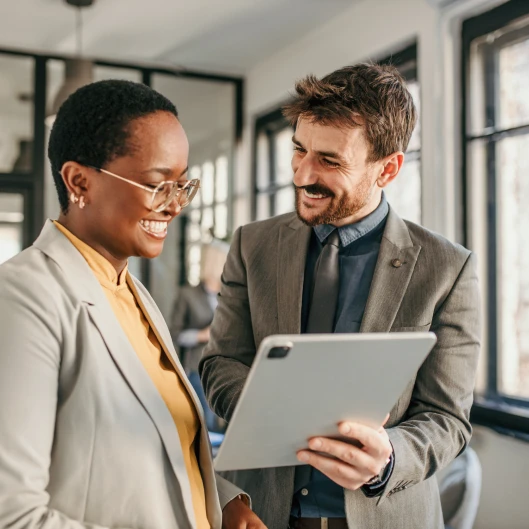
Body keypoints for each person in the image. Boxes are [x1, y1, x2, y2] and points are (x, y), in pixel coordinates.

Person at [200, 63, 481, 529]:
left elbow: (448, 418)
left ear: (387, 168)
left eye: (329, 161)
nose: (302, 174)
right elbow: (220, 362)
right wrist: (275, 410)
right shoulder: (252, 246)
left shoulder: (447, 269)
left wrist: (391, 458)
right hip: (258, 512)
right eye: (298, 149)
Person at [0, 80, 265, 529]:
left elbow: (154, 445)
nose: (175, 205)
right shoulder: (23, 298)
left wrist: (222, 504)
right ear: (78, 181)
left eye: (183, 185)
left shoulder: (134, 294)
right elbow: (12, 513)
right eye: (157, 184)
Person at [170, 240, 229, 432]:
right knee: (205, 420)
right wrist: (201, 335)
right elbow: (174, 334)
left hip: (227, 365)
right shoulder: (187, 295)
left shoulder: (231, 295)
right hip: (198, 367)